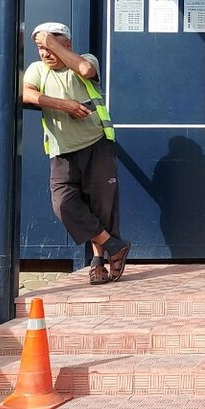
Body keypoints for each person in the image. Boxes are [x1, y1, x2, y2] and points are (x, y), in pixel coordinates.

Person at [22, 21, 130, 285]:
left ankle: (98, 261)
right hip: (62, 152)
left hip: (96, 145)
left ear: (66, 44)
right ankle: (114, 245)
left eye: (49, 47)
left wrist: (52, 42)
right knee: (63, 205)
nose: (45, 53)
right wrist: (63, 105)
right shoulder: (37, 70)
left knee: (102, 206)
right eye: (40, 48)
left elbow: (85, 70)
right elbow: (25, 94)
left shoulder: (86, 59)